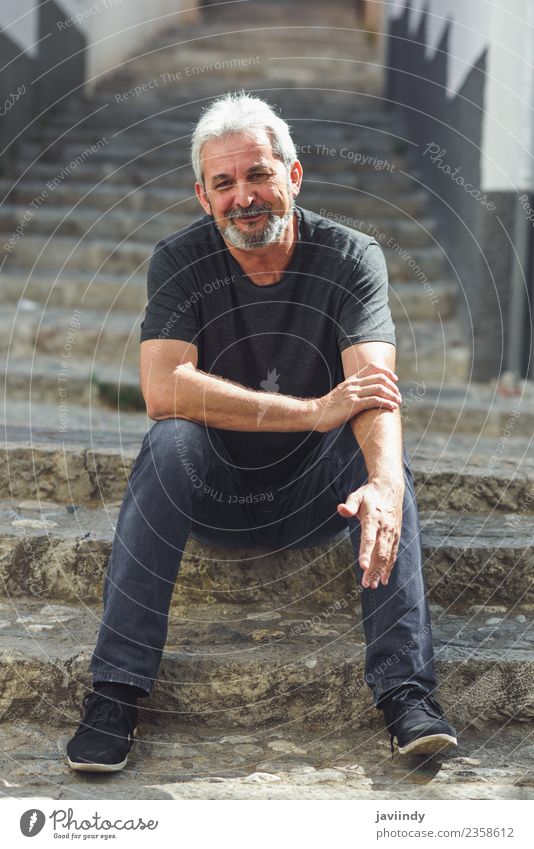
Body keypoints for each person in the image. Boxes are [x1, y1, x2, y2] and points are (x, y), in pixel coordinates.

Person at [66, 91, 457, 772]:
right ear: (202, 195)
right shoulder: (179, 260)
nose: (243, 196)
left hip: (319, 497)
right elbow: (164, 389)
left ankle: (407, 693)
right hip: (214, 492)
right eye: (224, 183)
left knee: (383, 472)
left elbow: (372, 392)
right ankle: (114, 692)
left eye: (258, 174)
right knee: (169, 443)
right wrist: (312, 409)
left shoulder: (351, 256)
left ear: (293, 175)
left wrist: (386, 485)